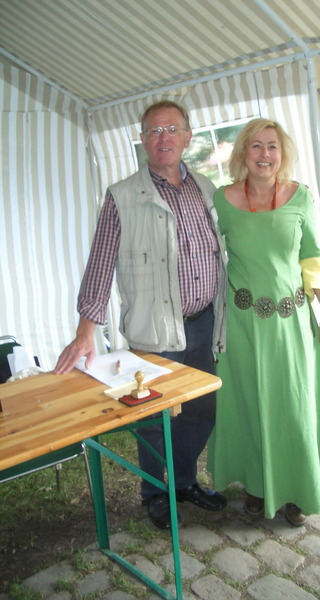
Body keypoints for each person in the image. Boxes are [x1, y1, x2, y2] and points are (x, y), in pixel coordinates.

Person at [54, 100, 228, 529]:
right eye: (153, 131)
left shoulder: (206, 187)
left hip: (204, 324)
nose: (163, 138)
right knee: (152, 418)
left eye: (171, 129)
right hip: (154, 330)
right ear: (142, 140)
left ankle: (183, 482)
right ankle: (154, 491)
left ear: (187, 137)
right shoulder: (122, 196)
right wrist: (86, 331)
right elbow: (100, 263)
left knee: (200, 409)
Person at [207, 118, 320, 526]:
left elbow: (313, 255)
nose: (264, 154)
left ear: (282, 154)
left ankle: (298, 488)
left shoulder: (301, 196)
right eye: (256, 146)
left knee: (294, 405)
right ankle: (257, 485)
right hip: (243, 326)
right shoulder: (221, 200)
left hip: (291, 323)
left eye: (272, 146)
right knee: (250, 403)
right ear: (243, 153)